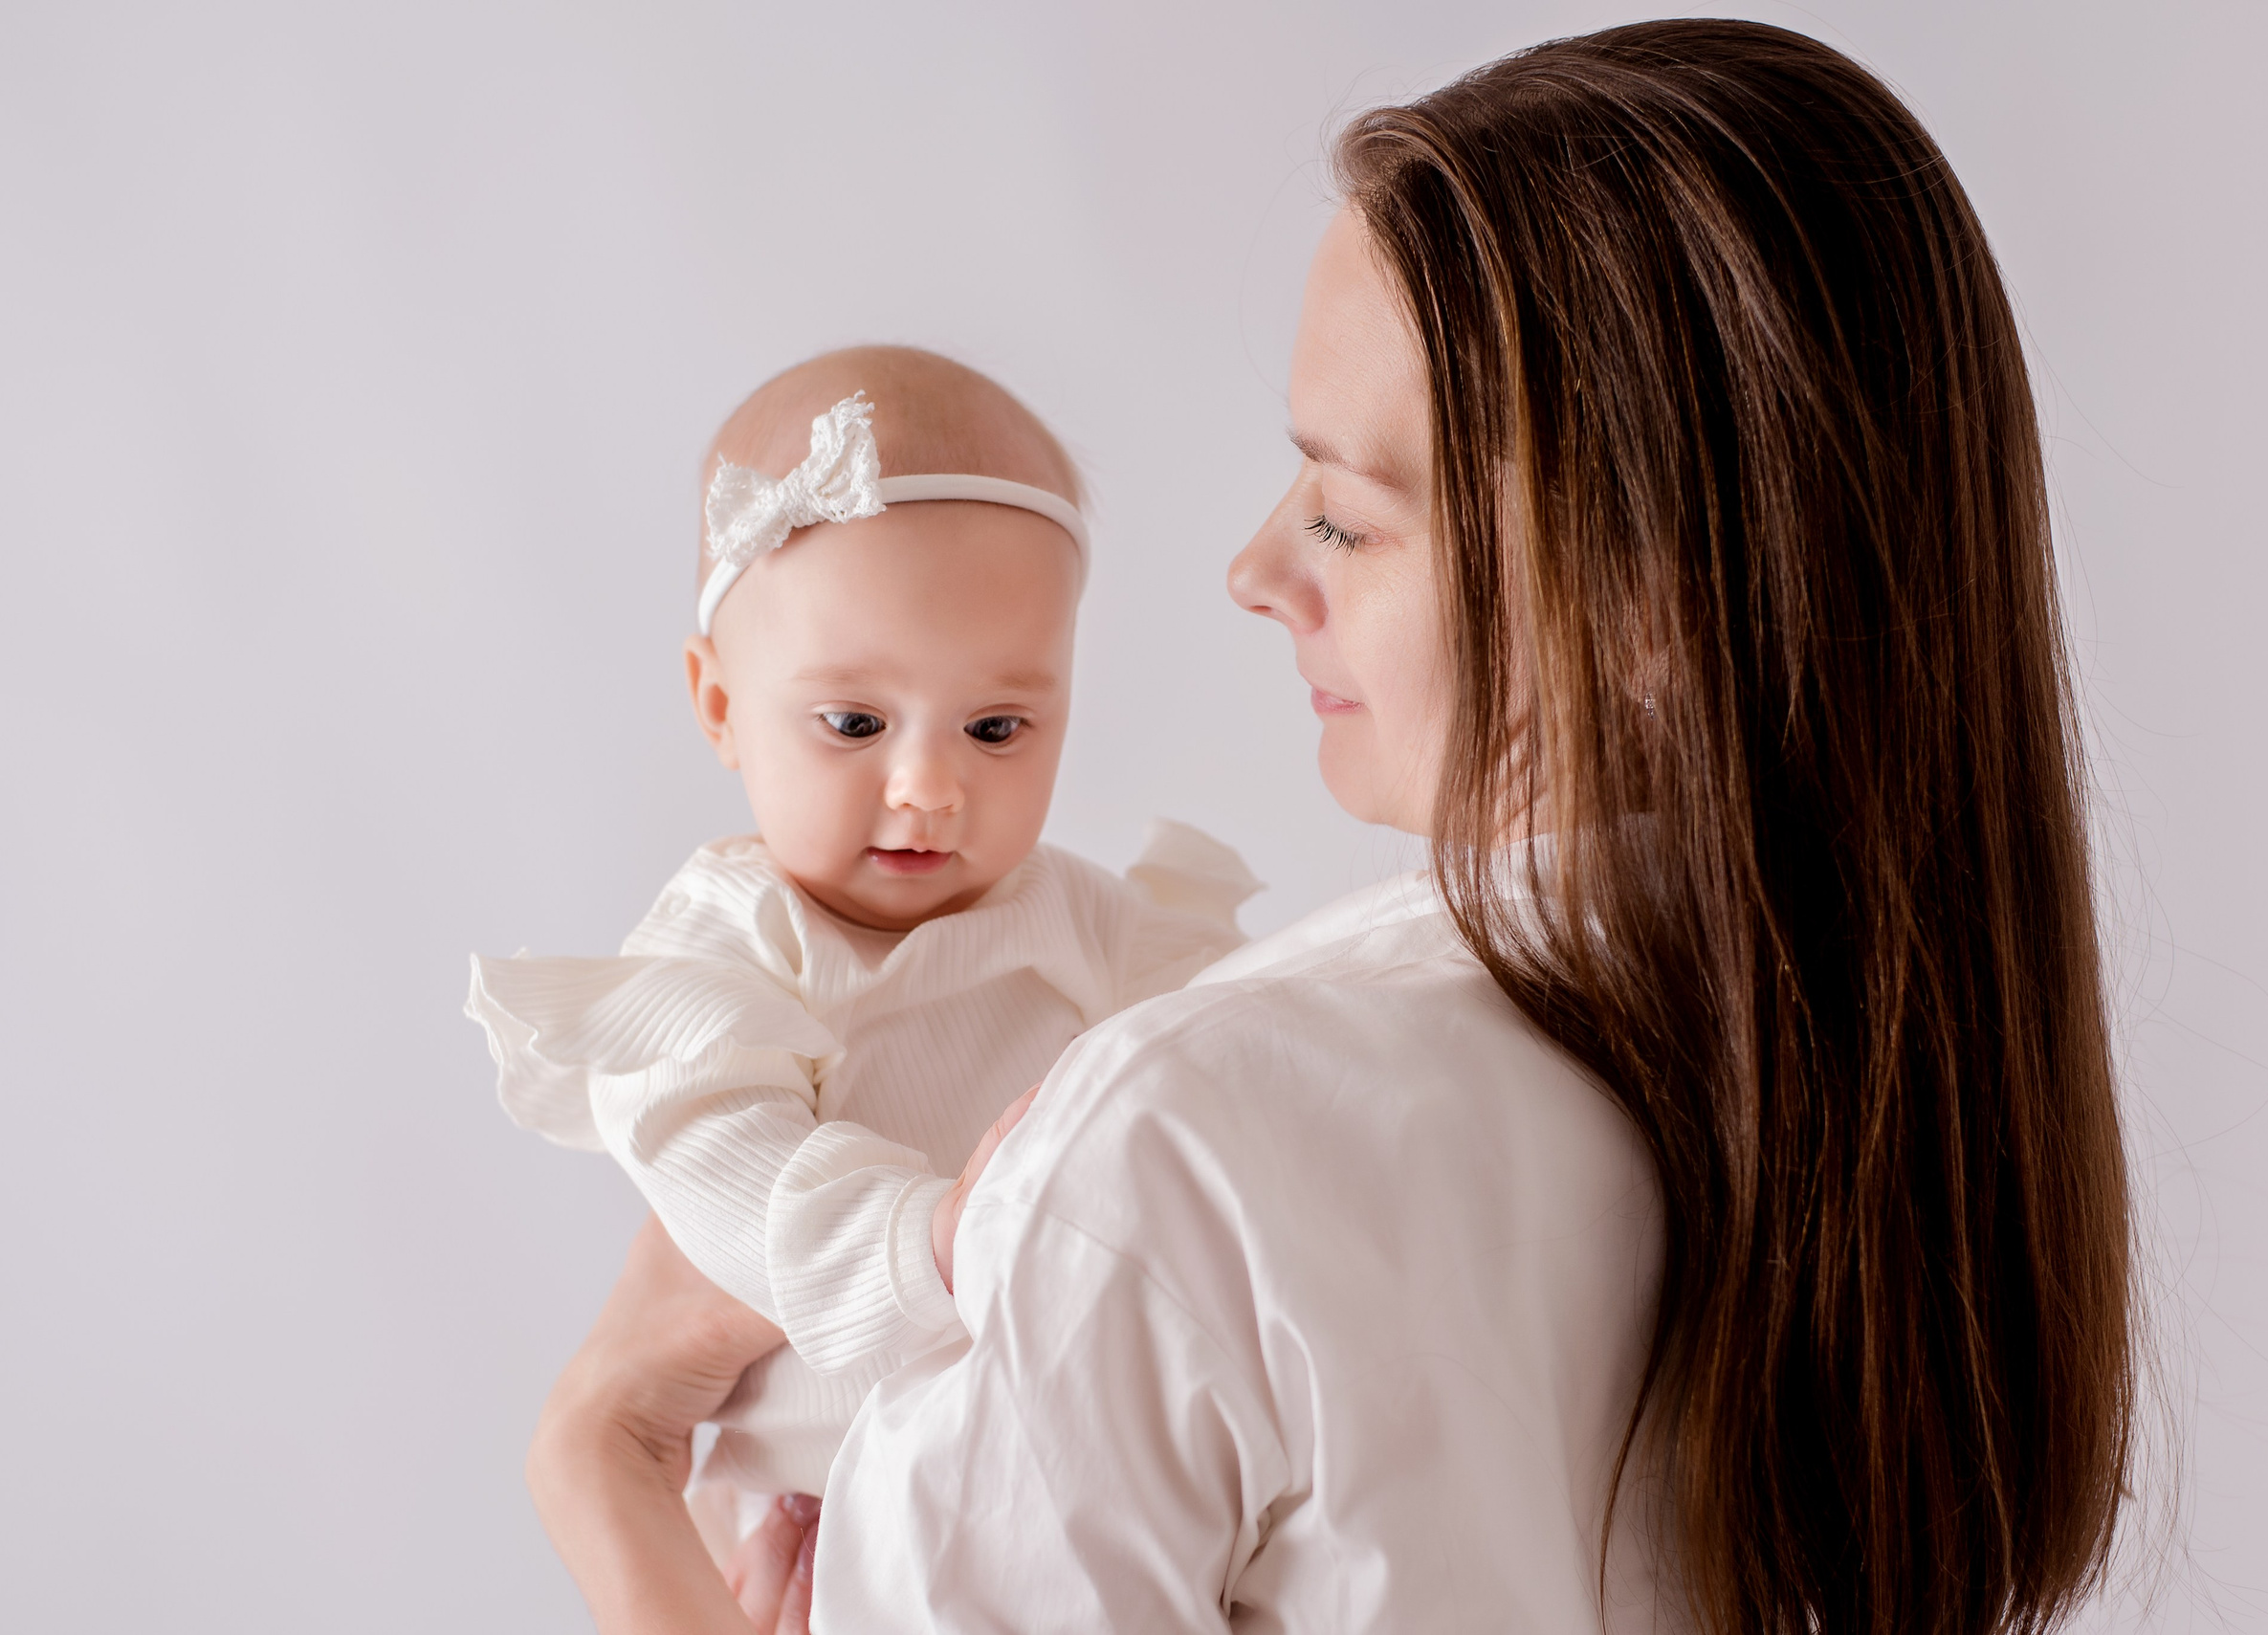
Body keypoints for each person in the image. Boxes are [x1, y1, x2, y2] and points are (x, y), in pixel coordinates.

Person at [525, 20, 2139, 1635]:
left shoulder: (1171, 1142)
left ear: (1644, 594)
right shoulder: (1876, 1125)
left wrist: (604, 1467)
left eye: (1345, 513)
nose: (1253, 566)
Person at [467, 346, 1256, 1553]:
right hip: (835, 1503)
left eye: (998, 726)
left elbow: (1214, 1061)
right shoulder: (722, 955)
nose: (930, 787)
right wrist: (928, 1241)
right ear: (721, 704)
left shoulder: (1085, 917)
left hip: (1069, 1461)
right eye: (853, 722)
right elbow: (734, 1175)